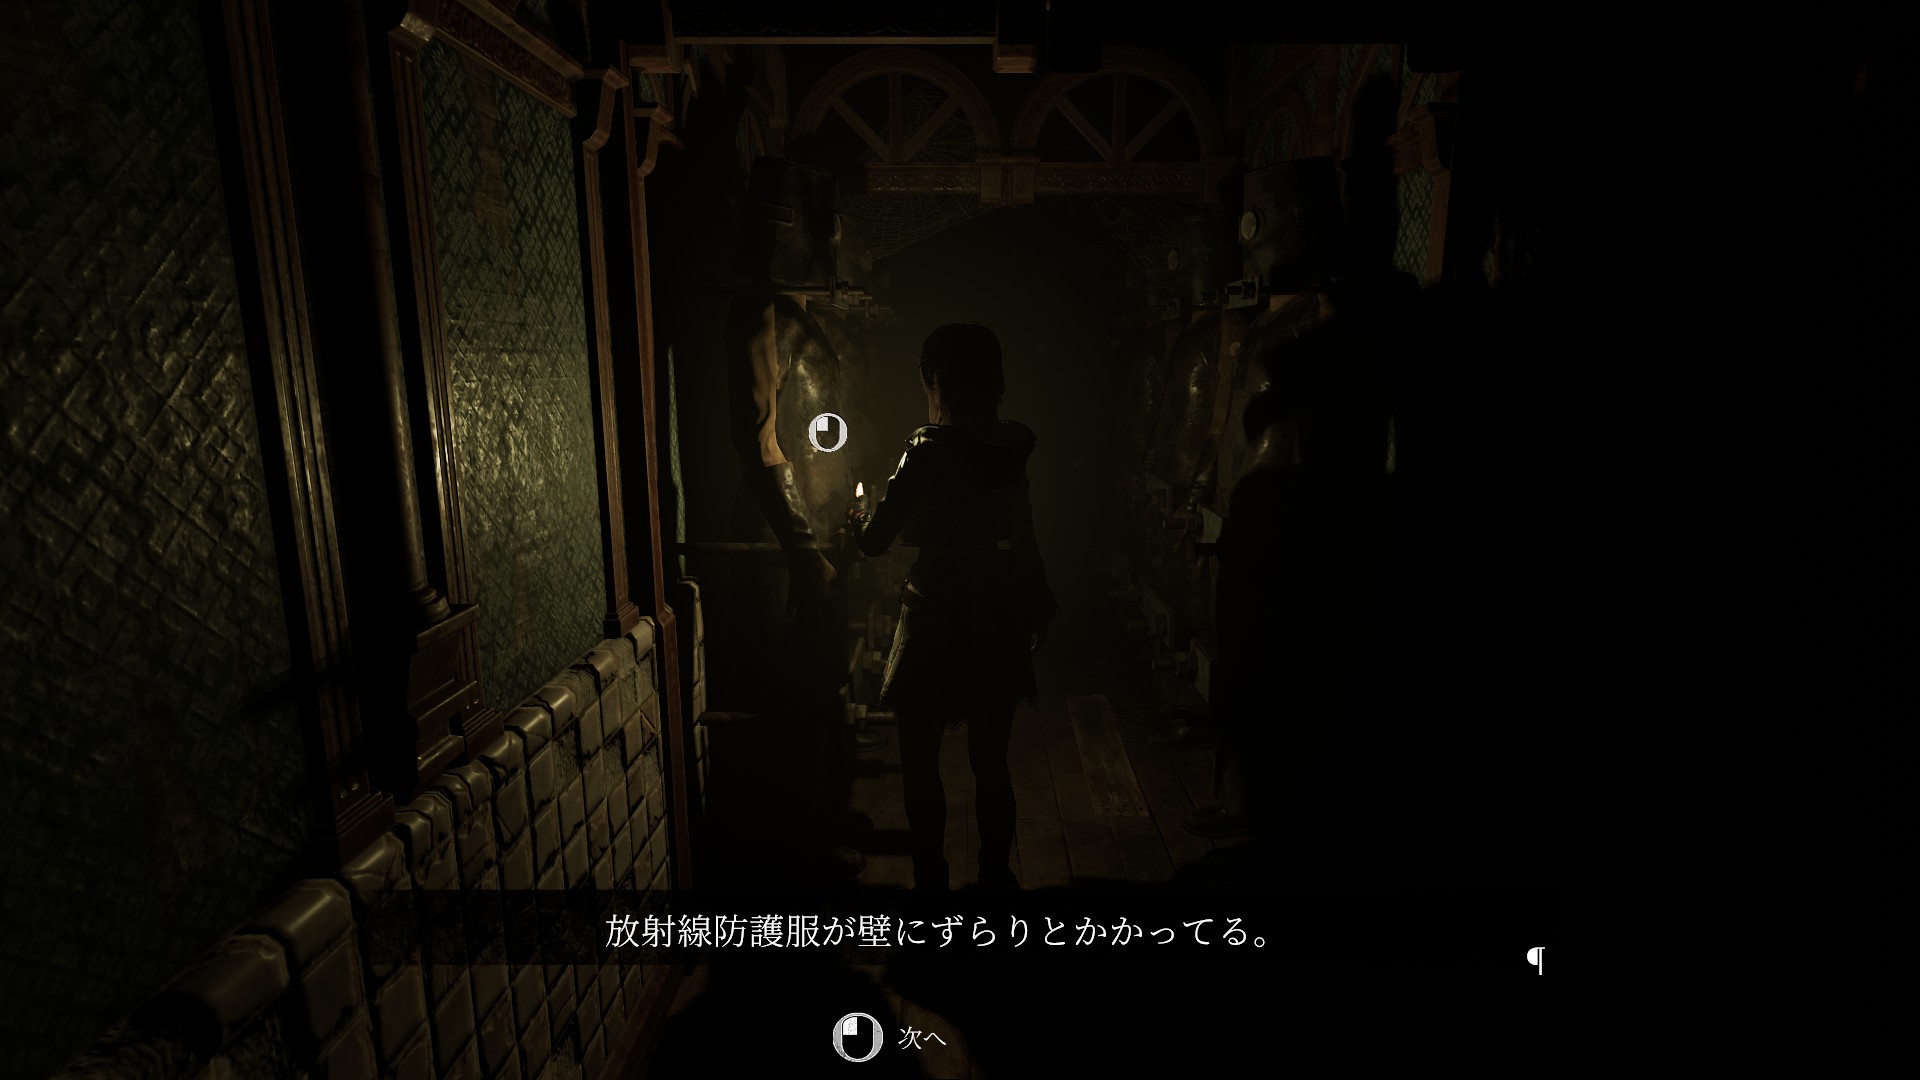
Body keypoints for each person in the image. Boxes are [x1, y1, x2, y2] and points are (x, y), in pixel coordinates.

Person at [848, 324, 1056, 890]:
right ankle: (995, 878)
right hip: (996, 604)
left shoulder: (926, 450)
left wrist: (857, 519)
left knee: (920, 761)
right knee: (992, 762)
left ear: (932, 376)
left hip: (934, 609)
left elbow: (876, 541)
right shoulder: (1013, 447)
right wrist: (1038, 597)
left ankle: (931, 886)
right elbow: (1024, 531)